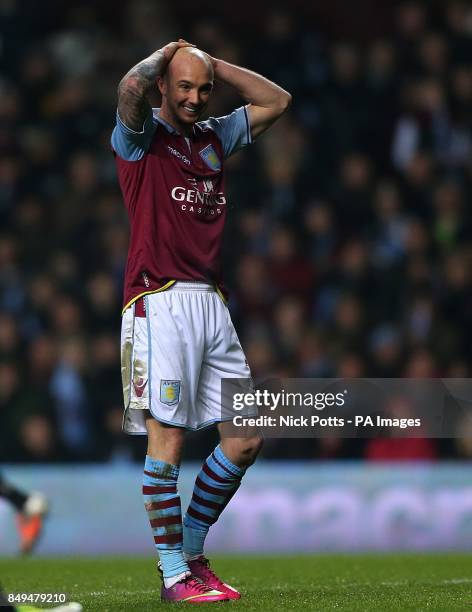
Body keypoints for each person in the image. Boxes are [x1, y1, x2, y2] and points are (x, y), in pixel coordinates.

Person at [111, 39, 291, 603]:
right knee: (168, 439)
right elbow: (129, 90)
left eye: (202, 89)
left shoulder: (214, 136)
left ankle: (191, 553)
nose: (193, 98)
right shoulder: (140, 140)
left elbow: (277, 101)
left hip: (211, 303)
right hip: (158, 300)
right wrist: (168, 55)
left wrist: (215, 65)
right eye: (183, 87)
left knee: (245, 438)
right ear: (164, 84)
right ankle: (172, 576)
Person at [0, 473, 48, 554]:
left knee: (30, 527)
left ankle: (27, 544)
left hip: (31, 505)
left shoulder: (31, 508)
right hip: (29, 505)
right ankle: (27, 544)